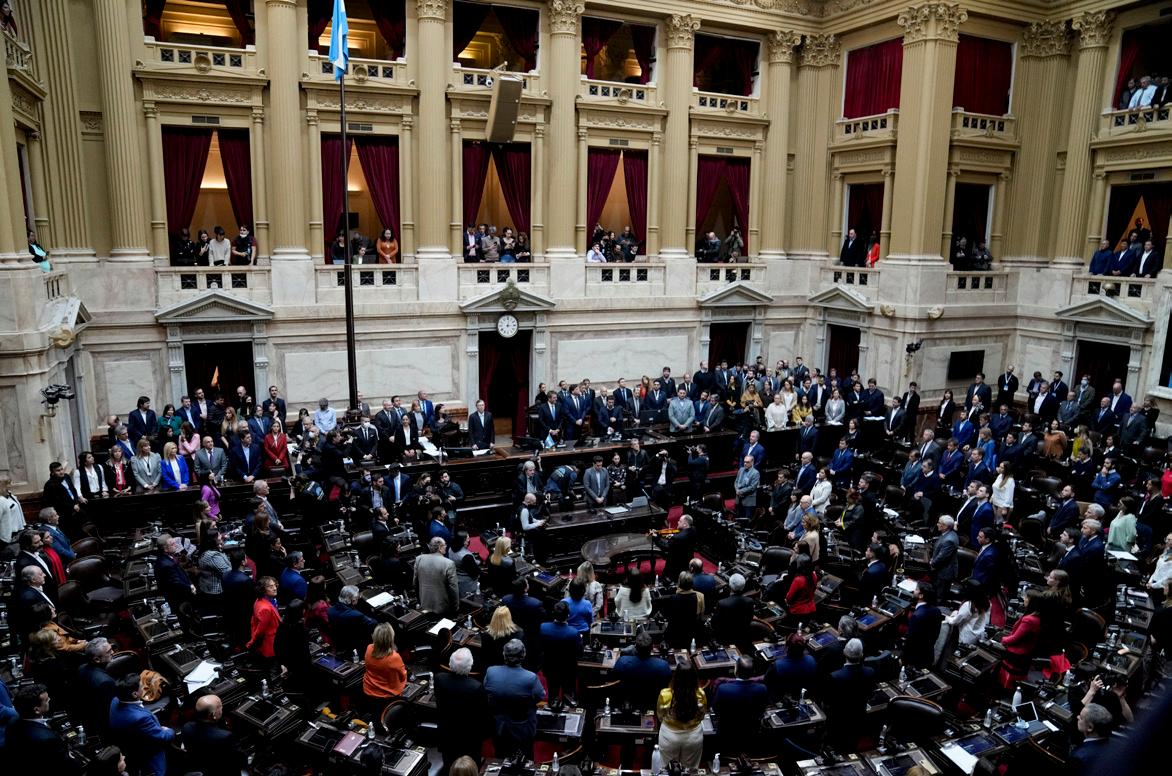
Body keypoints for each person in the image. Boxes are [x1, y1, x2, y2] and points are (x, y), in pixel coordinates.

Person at [484, 639, 546, 758]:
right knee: (524, 759)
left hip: (498, 726)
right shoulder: (530, 677)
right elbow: (540, 696)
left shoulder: (491, 671)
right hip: (522, 728)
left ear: (504, 655)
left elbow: (486, 691)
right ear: (523, 655)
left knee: (500, 757)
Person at [108, 674, 176, 776]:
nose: (144, 687)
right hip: (151, 756)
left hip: (131, 746)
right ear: (135, 694)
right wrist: (169, 731)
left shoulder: (115, 700)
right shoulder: (141, 718)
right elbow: (162, 737)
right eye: (141, 686)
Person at [5, 683, 82, 773]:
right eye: (46, 700)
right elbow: (68, 765)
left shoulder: (12, 721)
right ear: (37, 710)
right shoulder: (48, 738)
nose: (49, 700)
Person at [434, 648, 489, 768]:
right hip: (469, 740)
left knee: (449, 767)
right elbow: (483, 717)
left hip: (447, 735)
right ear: (470, 666)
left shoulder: (439, 679)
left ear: (450, 663)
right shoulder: (476, 687)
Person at [656, 658, 708, 769]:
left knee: (668, 769)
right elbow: (702, 716)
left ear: (676, 676)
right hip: (693, 736)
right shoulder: (701, 694)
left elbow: (660, 716)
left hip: (669, 735)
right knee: (690, 770)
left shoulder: (665, 694)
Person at [713, 655, 768, 756]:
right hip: (751, 734)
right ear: (753, 672)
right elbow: (762, 710)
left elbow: (716, 710)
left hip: (727, 734)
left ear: (736, 670)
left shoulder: (723, 689)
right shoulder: (762, 689)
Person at [180, 695, 243, 776]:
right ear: (213, 714)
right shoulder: (225, 736)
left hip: (198, 767)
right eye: (220, 707)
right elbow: (239, 761)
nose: (222, 709)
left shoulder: (186, 727)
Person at [539, 601, 583, 704]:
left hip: (550, 667)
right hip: (568, 669)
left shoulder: (543, 627)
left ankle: (552, 706)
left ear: (553, 613)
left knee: (552, 692)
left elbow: (539, 646)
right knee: (568, 695)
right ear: (568, 615)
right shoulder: (574, 633)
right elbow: (580, 653)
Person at [363, 623, 407, 712]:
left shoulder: (369, 648)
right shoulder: (394, 657)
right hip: (388, 695)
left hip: (369, 690)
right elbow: (403, 675)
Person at [764, 633, 818, 700]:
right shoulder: (811, 659)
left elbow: (767, 681)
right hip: (803, 694)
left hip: (783, 696)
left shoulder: (777, 665)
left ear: (787, 647)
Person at [415, 536, 459, 615]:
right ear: (440, 547)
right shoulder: (448, 563)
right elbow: (453, 588)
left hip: (424, 603)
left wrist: (419, 600)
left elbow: (415, 583)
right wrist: (455, 606)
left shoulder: (419, 559)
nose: (446, 547)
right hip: (442, 607)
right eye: (445, 545)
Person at [946, 580, 991, 646]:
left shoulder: (969, 605)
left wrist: (947, 618)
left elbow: (955, 622)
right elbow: (986, 621)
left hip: (966, 638)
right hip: (979, 635)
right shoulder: (987, 603)